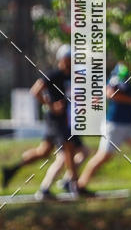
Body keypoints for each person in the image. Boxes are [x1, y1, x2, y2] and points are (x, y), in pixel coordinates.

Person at [2, 44, 79, 195]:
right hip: (55, 119)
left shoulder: (71, 76)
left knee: (43, 152)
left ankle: (13, 169)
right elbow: (35, 91)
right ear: (63, 59)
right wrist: (51, 105)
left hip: (62, 119)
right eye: (70, 58)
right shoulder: (54, 74)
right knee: (69, 147)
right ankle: (73, 184)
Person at [76, 63, 131, 194]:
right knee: (104, 156)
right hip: (115, 124)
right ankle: (80, 185)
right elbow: (110, 93)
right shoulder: (121, 71)